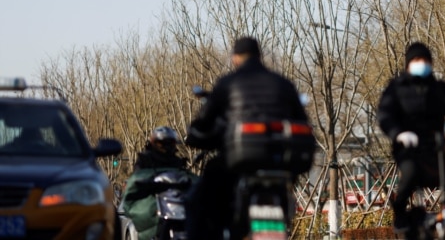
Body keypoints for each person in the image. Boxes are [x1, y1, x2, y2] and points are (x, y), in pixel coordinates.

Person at [184, 36, 311, 240]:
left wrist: (196, 135)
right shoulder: (283, 83)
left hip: (238, 160)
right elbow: (302, 121)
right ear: (259, 56)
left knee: (199, 200)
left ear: (235, 58)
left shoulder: (228, 83)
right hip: (279, 161)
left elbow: (204, 122)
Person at [377, 41, 445, 235]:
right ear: (408, 64)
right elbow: (385, 115)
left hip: (438, 145)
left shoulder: (439, 87)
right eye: (417, 60)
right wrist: (398, 133)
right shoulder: (396, 88)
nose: (422, 63)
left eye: (425, 60)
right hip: (408, 146)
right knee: (410, 173)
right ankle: (400, 213)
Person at [122, 126, 190, 240]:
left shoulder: (177, 162)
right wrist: (149, 186)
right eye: (161, 143)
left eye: (169, 143)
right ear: (153, 143)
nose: (165, 147)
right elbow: (136, 181)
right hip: (153, 204)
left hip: (176, 205)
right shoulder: (144, 160)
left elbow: (188, 179)